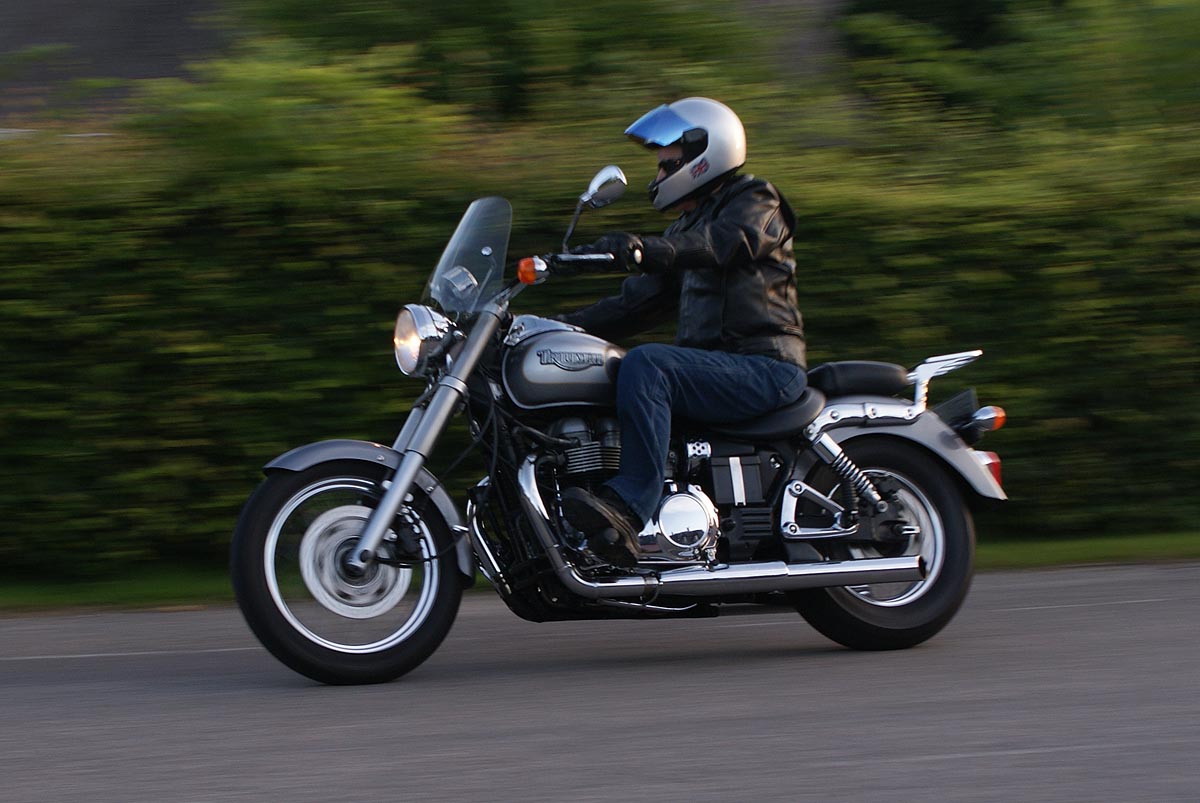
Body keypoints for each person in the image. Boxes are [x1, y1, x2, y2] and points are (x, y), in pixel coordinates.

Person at [558, 97, 809, 566]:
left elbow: (722, 244)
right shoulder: (686, 226)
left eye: (667, 165)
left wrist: (646, 249)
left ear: (704, 156)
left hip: (763, 365)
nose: (657, 176)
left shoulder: (756, 201)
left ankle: (628, 508)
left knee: (648, 364)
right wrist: (555, 327)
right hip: (716, 369)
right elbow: (635, 305)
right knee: (609, 368)